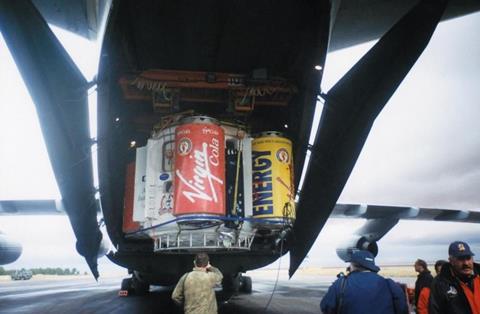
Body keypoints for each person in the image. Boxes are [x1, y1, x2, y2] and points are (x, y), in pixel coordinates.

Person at [320, 250, 408, 314]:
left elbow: (326, 307)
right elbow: (402, 307)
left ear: (354, 265)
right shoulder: (389, 283)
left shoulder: (341, 283)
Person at [429, 241, 480, 314]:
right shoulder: (440, 284)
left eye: (468, 258)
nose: (466, 263)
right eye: (461, 259)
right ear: (451, 261)